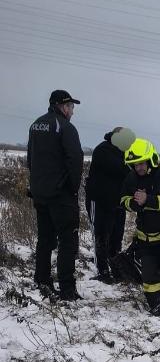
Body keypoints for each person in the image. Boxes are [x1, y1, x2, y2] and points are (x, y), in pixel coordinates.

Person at [27, 89, 84, 301]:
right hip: (60, 196)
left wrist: (36, 184)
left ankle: (42, 279)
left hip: (40, 194)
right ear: (60, 105)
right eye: (70, 107)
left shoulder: (36, 124)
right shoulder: (65, 127)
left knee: (45, 238)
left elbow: (30, 158)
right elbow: (75, 159)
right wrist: (72, 188)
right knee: (67, 241)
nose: (72, 111)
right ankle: (67, 289)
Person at [121, 138, 160, 316]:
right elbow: (123, 200)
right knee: (149, 275)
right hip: (145, 238)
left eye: (141, 163)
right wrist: (134, 203)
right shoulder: (131, 178)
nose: (138, 168)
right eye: (135, 165)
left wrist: (147, 199)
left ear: (150, 160)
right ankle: (157, 305)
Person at [84, 127, 131, 284]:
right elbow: (121, 169)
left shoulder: (124, 152)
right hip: (100, 202)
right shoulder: (103, 150)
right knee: (101, 236)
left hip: (118, 203)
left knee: (117, 238)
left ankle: (117, 270)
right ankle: (103, 271)